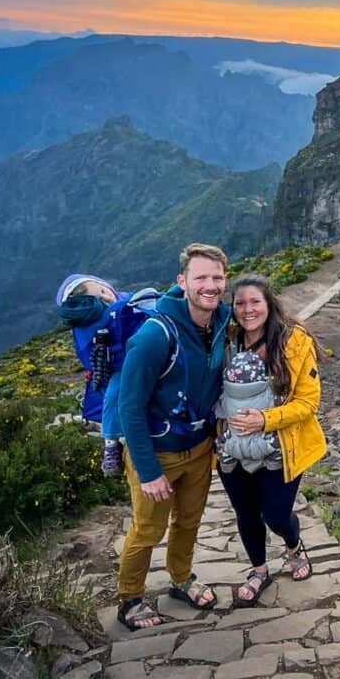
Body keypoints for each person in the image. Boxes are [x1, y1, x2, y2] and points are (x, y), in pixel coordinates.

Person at [116, 243, 231, 631]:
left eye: (217, 278)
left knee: (189, 522)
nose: (210, 286)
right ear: (182, 282)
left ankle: (181, 579)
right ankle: (130, 598)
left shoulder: (219, 326)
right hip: (158, 452)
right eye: (201, 277)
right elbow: (129, 407)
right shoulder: (154, 336)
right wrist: (148, 471)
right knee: (148, 529)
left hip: (199, 448)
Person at [215, 273, 327, 607]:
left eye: (255, 302)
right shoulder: (225, 339)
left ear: (269, 303)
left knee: (276, 514)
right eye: (240, 303)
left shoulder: (293, 341)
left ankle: (294, 546)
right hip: (232, 447)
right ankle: (259, 569)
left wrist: (265, 420)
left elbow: (308, 402)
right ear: (232, 307)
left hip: (281, 447)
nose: (247, 310)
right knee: (246, 512)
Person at [56, 274, 127, 476]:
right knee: (115, 393)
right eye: (100, 297)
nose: (107, 297)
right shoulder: (92, 321)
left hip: (146, 358)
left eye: (104, 291)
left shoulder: (127, 299)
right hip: (119, 368)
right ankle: (111, 442)